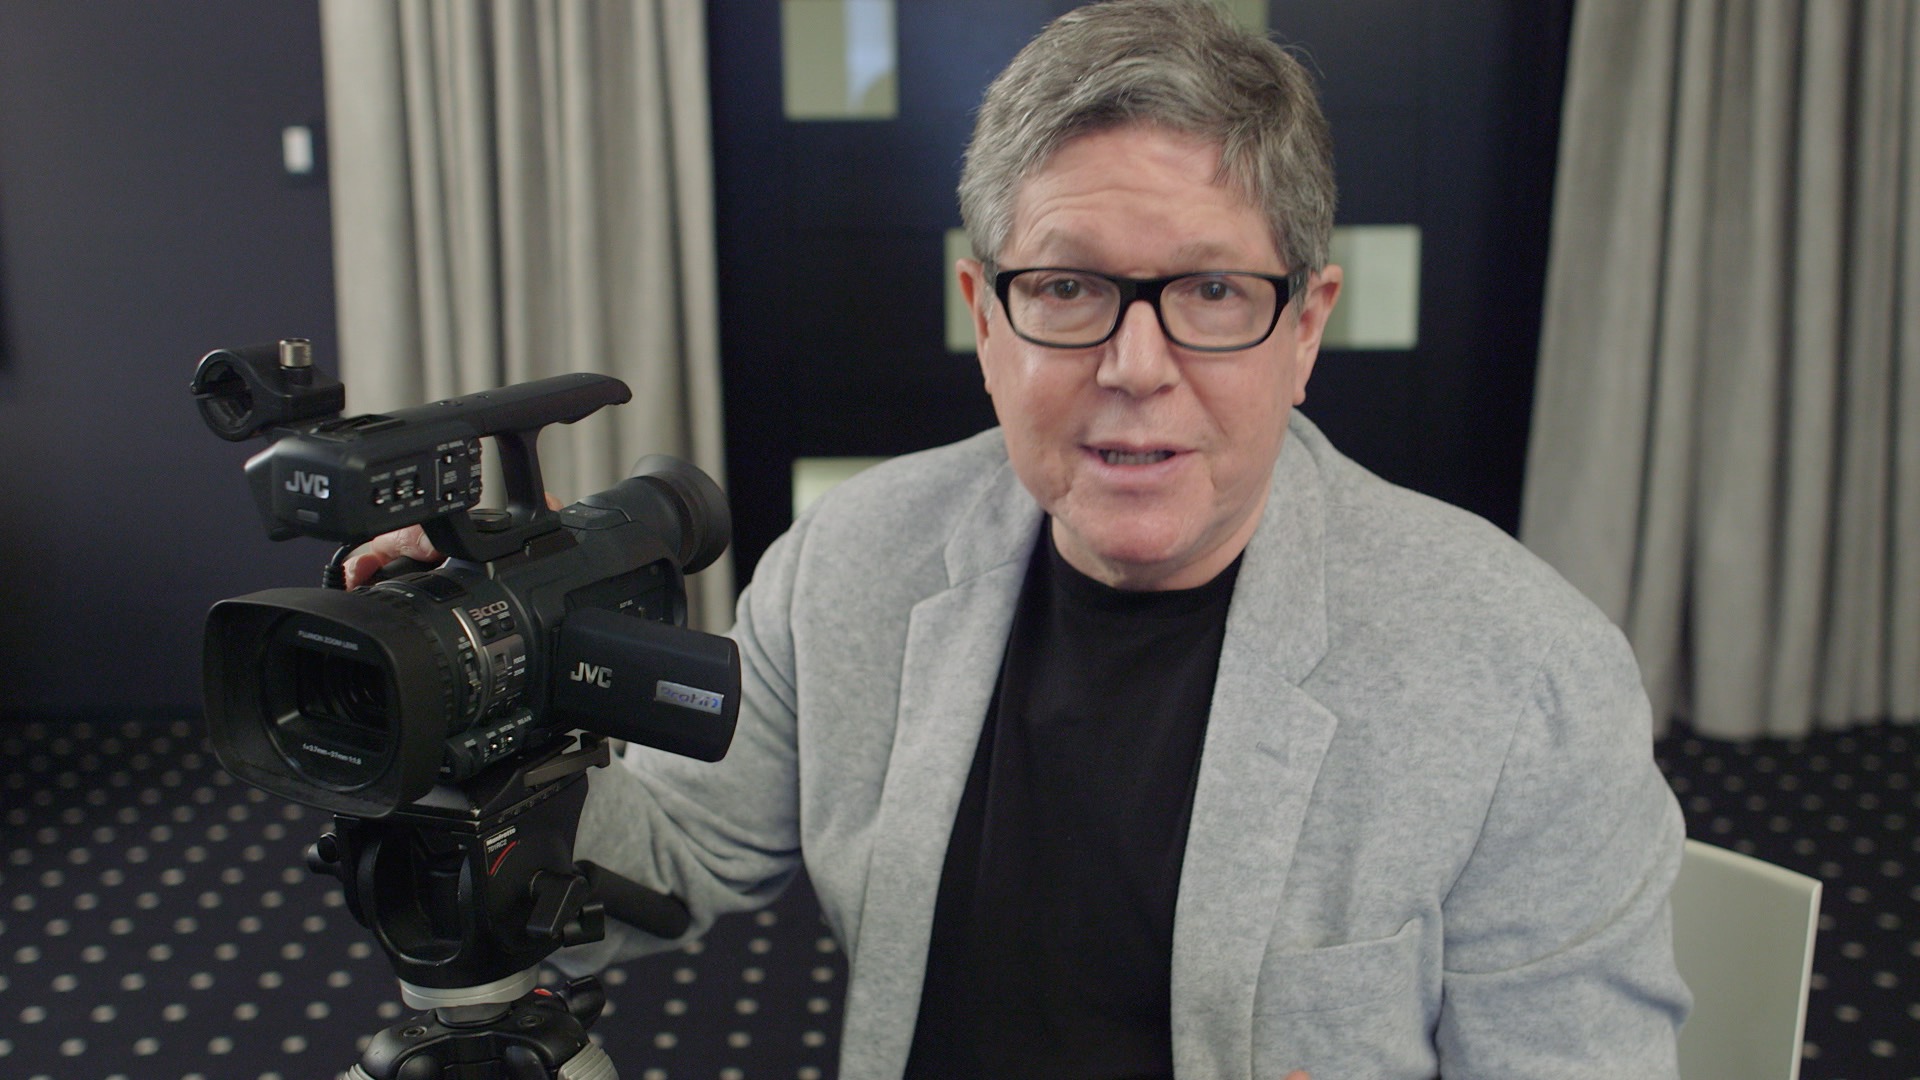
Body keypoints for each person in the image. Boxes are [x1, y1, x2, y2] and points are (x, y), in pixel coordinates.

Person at [349, 2, 1690, 1076]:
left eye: (1213, 291)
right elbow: (674, 858)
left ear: (1305, 326)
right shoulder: (853, 561)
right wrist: (481, 711)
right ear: (985, 316)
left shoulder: (1525, 674)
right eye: (1066, 287)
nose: (1136, 366)